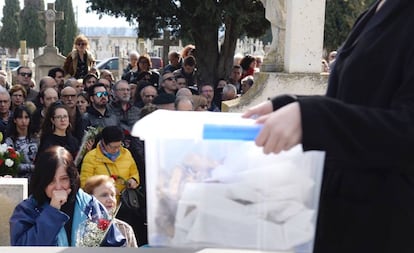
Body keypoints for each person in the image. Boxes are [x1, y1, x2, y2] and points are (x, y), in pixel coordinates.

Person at [242, 1, 414, 252]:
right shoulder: (377, 10)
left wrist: (312, 118)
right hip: (345, 220)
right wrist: (292, 105)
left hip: (388, 227)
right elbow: (356, 100)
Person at [9, 146, 126, 246]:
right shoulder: (27, 210)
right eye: (51, 181)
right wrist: (52, 212)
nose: (58, 187)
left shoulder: (91, 206)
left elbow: (115, 243)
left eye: (64, 179)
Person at [83, 175, 138, 247]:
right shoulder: (80, 228)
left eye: (113, 195)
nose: (111, 200)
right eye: (104, 195)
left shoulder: (125, 228)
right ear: (89, 199)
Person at [5, 105, 38, 181]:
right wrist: (32, 167)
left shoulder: (36, 139)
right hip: (18, 180)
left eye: (26, 117)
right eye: (20, 117)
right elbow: (11, 164)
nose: (23, 121)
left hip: (35, 180)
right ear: (15, 120)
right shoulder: (10, 141)